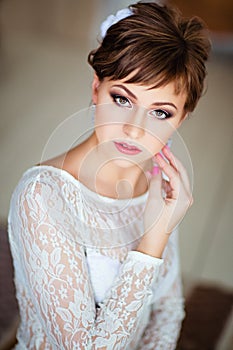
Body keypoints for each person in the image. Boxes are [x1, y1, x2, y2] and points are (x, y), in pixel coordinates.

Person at [8, 1, 211, 349]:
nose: (134, 130)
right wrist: (155, 238)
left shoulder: (161, 187)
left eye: (160, 113)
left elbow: (167, 310)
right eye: (122, 99)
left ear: (182, 118)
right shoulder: (42, 196)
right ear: (96, 89)